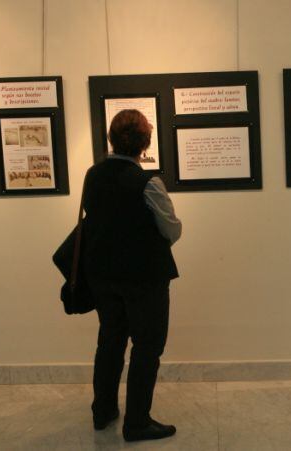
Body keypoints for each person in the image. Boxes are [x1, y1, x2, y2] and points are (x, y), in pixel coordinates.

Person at [82, 109, 182, 442]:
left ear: (111, 137)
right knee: (147, 347)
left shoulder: (92, 175)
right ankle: (137, 422)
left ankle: (103, 411)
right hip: (144, 279)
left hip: (102, 276)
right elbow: (171, 230)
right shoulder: (148, 182)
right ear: (144, 142)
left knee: (110, 341)